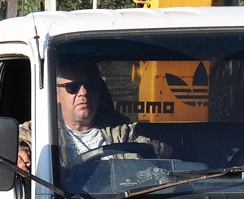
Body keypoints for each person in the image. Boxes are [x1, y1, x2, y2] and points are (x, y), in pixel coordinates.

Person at [17, 59, 170, 172]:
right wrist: (17, 155)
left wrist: (157, 149)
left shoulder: (121, 131)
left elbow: (142, 152)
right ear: (57, 95)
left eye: (91, 85)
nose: (84, 92)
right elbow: (12, 144)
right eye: (72, 87)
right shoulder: (38, 132)